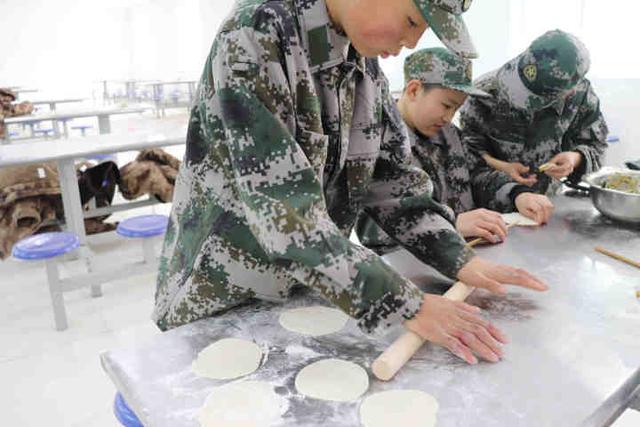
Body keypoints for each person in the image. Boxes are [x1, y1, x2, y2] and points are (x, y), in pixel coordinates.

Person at [153, 0, 548, 366]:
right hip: (222, 297)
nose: (412, 42)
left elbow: (394, 185)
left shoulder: (361, 65)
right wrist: (406, 303)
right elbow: (287, 218)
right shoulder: (258, 34)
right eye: (412, 21)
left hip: (302, 291)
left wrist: (457, 257)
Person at [357, 47, 510, 268]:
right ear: (414, 90)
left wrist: (515, 193)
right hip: (407, 267)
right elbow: (372, 227)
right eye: (446, 105)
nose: (449, 117)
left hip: (467, 256)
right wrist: (451, 223)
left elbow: (477, 175)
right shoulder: (374, 141)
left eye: (456, 109)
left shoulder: (450, 134)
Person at [459, 30, 608, 223]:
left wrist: (575, 158)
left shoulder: (581, 96)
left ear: (569, 92)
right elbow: (467, 162)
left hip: (550, 210)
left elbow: (597, 146)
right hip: (492, 215)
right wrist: (513, 188)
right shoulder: (484, 94)